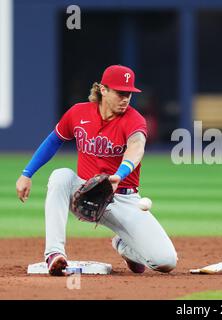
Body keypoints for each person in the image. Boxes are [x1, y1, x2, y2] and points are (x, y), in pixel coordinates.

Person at [16, 65, 177, 276]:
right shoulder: (78, 113)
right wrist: (27, 173)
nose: (125, 98)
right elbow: (54, 140)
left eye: (128, 93)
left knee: (166, 262)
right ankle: (54, 254)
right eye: (120, 93)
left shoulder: (134, 119)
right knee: (61, 175)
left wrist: (119, 175)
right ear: (103, 89)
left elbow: (136, 148)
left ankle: (125, 245)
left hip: (123, 198)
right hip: (85, 192)